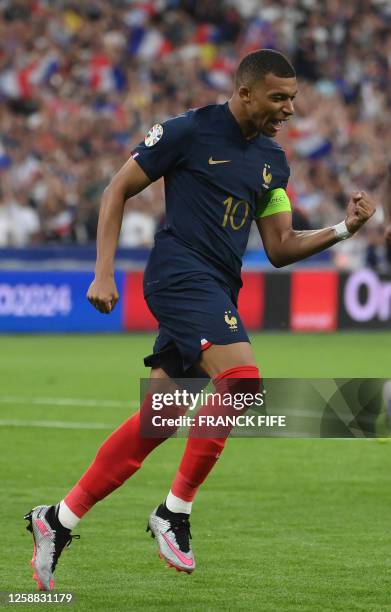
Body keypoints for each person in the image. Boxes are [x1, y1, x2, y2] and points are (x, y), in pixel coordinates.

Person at [24, 49, 376, 590]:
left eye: (293, 98)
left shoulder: (272, 162)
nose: (288, 108)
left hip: (216, 289)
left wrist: (344, 229)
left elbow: (279, 247)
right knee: (241, 382)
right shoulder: (187, 131)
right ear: (246, 93)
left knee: (158, 420)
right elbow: (117, 189)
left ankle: (58, 519)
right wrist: (103, 272)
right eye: (278, 97)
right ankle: (174, 511)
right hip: (178, 276)